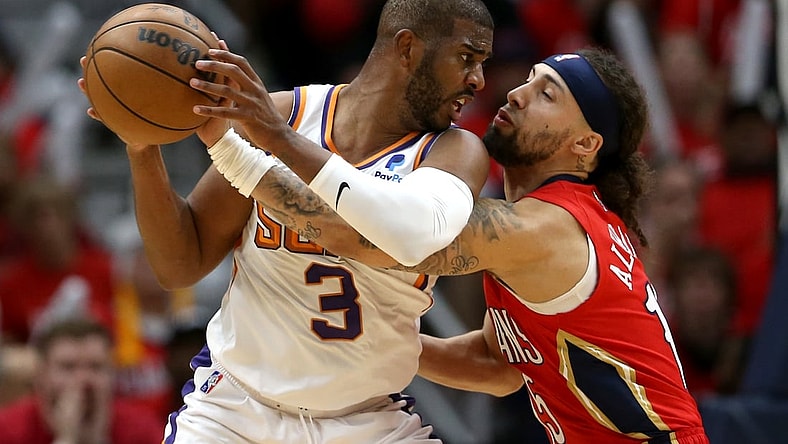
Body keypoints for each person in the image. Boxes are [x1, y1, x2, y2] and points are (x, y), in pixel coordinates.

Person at [196, 47, 710, 443]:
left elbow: (381, 238)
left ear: (586, 144)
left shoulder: (544, 229)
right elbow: (500, 365)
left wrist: (235, 146)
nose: (517, 94)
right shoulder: (552, 224)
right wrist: (382, 348)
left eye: (547, 94)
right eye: (529, 79)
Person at [78, 0, 494, 442]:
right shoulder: (287, 112)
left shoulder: (455, 152)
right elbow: (181, 264)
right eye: (467, 58)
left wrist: (274, 140)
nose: (478, 80)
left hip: (367, 421)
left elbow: (412, 233)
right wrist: (142, 149)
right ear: (407, 47)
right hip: (233, 411)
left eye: (483, 63)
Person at [0, 317, 164, 444]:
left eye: (95, 367)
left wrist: (98, 440)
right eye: (68, 367)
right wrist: (66, 438)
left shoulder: (141, 427)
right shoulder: (8, 428)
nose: (84, 379)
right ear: (41, 374)